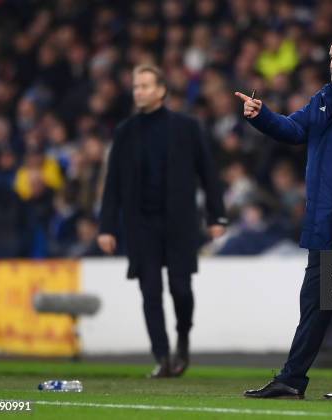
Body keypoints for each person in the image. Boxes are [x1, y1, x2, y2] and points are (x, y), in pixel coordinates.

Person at [235, 33, 332, 400]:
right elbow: (295, 129)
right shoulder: (325, 98)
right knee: (315, 303)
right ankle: (294, 378)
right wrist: (262, 115)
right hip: (324, 219)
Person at [98, 64, 227, 378]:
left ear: (161, 90)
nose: (139, 91)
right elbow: (112, 181)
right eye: (136, 87)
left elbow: (208, 174)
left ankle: (183, 336)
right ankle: (162, 356)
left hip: (179, 222)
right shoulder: (125, 131)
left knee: (181, 288)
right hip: (140, 224)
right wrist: (106, 226)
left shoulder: (187, 127)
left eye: (144, 86)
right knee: (150, 291)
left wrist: (216, 215)